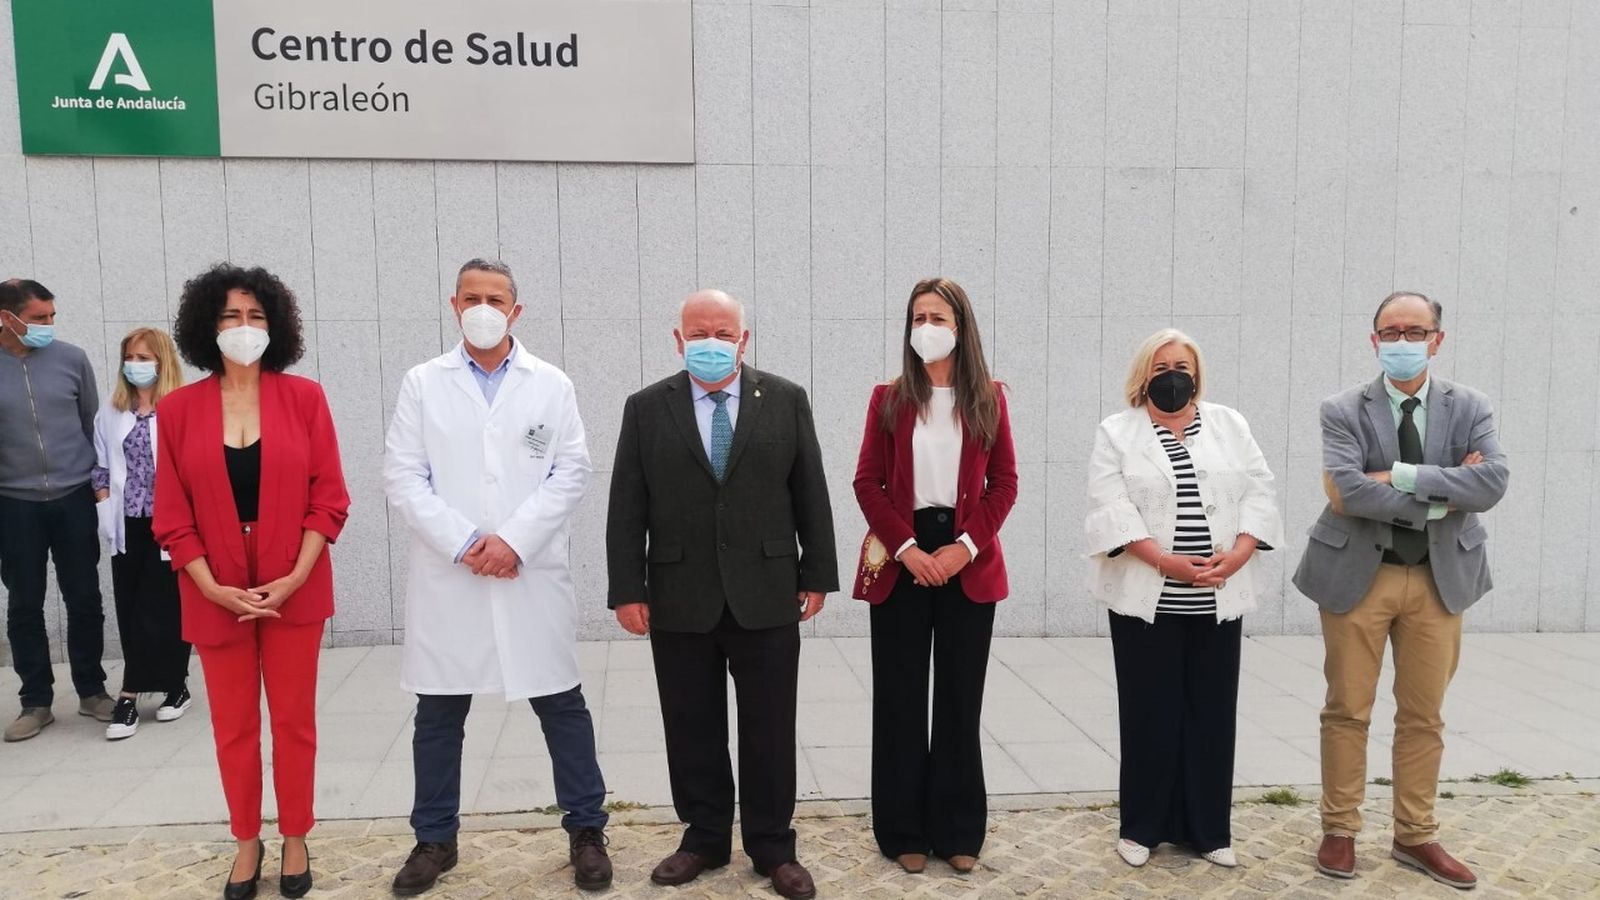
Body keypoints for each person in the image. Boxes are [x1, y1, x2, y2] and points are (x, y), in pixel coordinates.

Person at [384, 259, 612, 896]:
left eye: (498, 298)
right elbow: (403, 476)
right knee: (438, 713)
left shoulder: (551, 384)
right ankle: (434, 839)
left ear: (517, 311)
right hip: (449, 574)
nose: (485, 307)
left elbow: (572, 471)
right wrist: (464, 543)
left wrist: (513, 540)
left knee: (561, 703)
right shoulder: (423, 383)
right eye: (473, 297)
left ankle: (587, 828)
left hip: (527, 570)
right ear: (455, 304)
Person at [607, 290, 837, 900]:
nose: (711, 342)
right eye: (698, 332)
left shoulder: (786, 400)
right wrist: (627, 588)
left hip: (766, 591)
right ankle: (704, 837)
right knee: (691, 725)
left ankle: (771, 845)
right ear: (679, 339)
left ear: (744, 337)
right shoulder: (646, 408)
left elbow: (809, 489)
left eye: (723, 331)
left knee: (769, 726)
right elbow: (627, 506)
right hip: (679, 594)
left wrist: (817, 572)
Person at [1295, 292, 1508, 890]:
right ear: (1374, 340)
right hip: (1359, 577)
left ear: (1438, 338)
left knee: (1424, 715)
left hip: (1442, 581)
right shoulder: (1342, 408)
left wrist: (1404, 477)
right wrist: (1446, 492)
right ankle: (1339, 828)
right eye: (1390, 332)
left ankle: (1416, 834)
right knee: (1347, 710)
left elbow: (1491, 482)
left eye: (1415, 330)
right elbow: (1349, 492)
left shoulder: (1471, 406)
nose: (1402, 341)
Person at [154, 264, 349, 900]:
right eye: (231, 317)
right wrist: (208, 585)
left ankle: (295, 836)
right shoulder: (179, 409)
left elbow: (329, 498)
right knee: (233, 727)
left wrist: (295, 575)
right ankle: (246, 841)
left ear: (277, 327)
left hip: (295, 583)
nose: (244, 328)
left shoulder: (306, 399)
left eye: (256, 316)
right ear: (208, 328)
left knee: (294, 723)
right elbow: (171, 512)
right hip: (214, 589)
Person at [1084, 329, 1282, 870]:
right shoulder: (1117, 431)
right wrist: (1163, 561)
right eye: (1162, 364)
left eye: (1183, 365)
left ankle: (1208, 828)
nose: (1173, 374)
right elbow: (1110, 504)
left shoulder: (1229, 424)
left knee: (1212, 714)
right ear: (1143, 373)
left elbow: (1260, 489)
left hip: (1218, 595)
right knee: (1150, 713)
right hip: (1147, 599)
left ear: (1197, 374)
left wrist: (1241, 551)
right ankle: (1142, 827)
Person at [851, 277, 1018, 875]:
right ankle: (902, 831)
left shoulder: (990, 397)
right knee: (898, 701)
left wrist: (964, 547)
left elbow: (1005, 484)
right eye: (918, 316)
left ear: (961, 325)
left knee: (957, 700)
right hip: (902, 559)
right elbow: (866, 482)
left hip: (967, 559)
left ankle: (958, 829)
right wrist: (907, 549)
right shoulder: (889, 396)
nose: (927, 326)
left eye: (938, 316)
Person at [0, 278, 114, 742]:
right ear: (7, 318)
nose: (49, 325)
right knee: (25, 603)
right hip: (14, 503)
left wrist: (97, 488)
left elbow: (92, 423)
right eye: (39, 317)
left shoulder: (72, 359)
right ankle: (36, 702)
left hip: (73, 496)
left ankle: (92, 691)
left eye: (52, 316)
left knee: (84, 596)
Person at [92, 327, 192, 740]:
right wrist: (102, 503)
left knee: (164, 607)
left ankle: (129, 696)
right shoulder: (112, 411)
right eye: (130, 358)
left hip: (169, 523)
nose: (136, 365)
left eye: (144, 358)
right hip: (127, 523)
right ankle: (174, 686)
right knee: (132, 607)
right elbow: (100, 466)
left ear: (163, 361)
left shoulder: (180, 409)